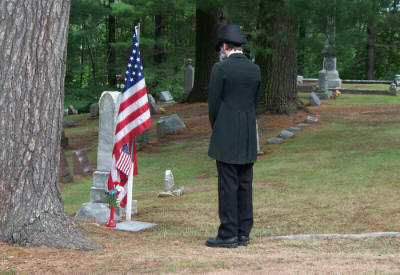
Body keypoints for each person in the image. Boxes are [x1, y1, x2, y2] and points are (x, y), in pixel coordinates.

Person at [206, 24, 261, 248]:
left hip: (226, 129)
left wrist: (218, 127)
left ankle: (228, 233)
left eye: (221, 46)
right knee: (245, 183)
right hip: (248, 130)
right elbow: (254, 102)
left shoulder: (220, 69)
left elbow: (214, 105)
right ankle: (243, 233)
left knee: (228, 184)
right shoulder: (254, 69)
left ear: (225, 46)